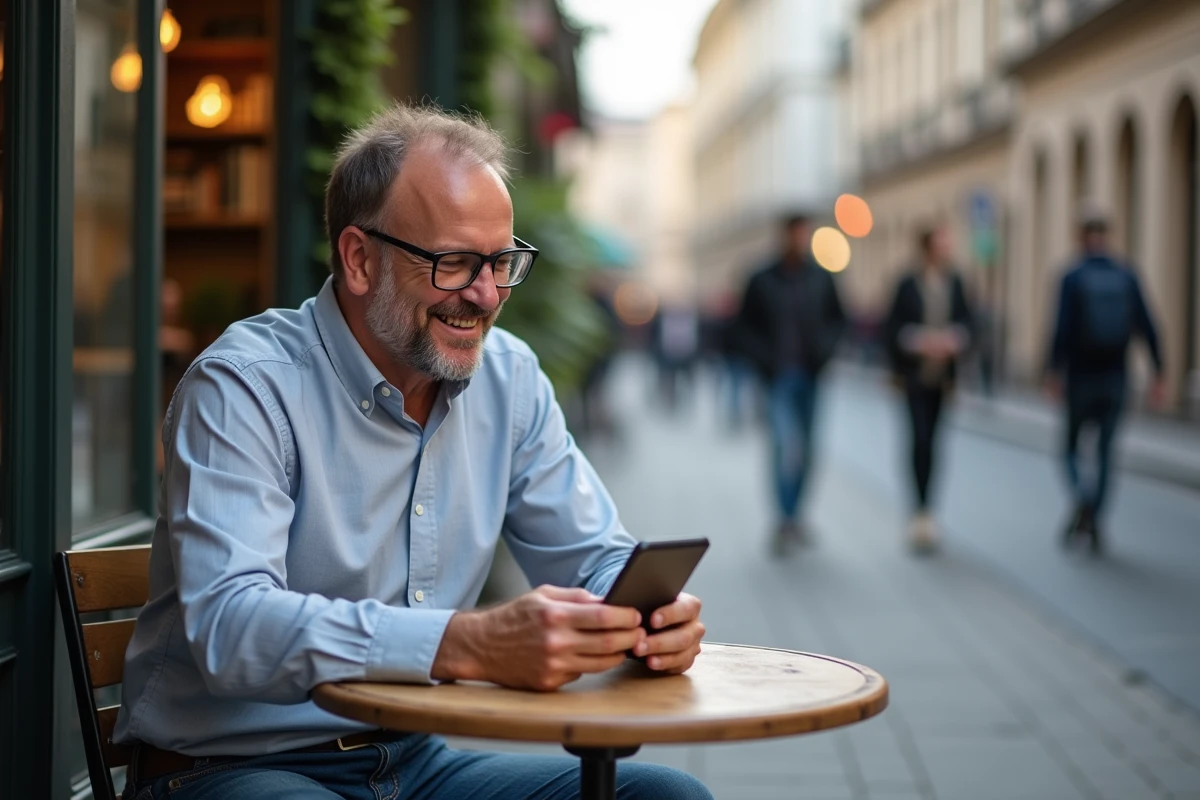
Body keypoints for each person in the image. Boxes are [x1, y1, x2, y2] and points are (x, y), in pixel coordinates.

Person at [115, 104, 711, 800]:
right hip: (228, 768)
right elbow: (231, 627)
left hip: (415, 762)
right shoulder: (245, 385)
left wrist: (649, 613)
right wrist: (468, 642)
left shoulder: (509, 377)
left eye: (501, 261)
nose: (486, 296)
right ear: (359, 260)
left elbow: (598, 555)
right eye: (456, 263)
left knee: (667, 796)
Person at [1045, 211, 1165, 555]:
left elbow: (1062, 329)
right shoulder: (1126, 274)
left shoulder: (1072, 276)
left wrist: (1053, 371)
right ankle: (1095, 518)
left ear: (1081, 237)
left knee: (1069, 448)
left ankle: (1083, 500)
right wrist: (1159, 372)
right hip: (1116, 378)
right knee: (1106, 453)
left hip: (1080, 377)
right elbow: (1148, 325)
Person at [732, 214, 847, 553]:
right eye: (795, 234)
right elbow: (742, 328)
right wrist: (762, 359)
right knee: (782, 445)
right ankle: (783, 519)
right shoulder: (761, 279)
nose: (800, 240)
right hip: (776, 377)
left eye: (804, 234)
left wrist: (824, 352)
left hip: (811, 376)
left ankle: (797, 515)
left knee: (809, 449)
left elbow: (839, 320)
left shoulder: (821, 277)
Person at [883, 224, 974, 553]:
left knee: (934, 443)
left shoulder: (955, 282)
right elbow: (891, 328)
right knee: (918, 440)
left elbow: (968, 321)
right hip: (914, 377)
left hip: (942, 379)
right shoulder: (907, 283)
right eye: (941, 242)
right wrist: (917, 341)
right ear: (927, 247)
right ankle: (918, 510)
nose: (946, 248)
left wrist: (955, 339)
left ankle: (929, 509)